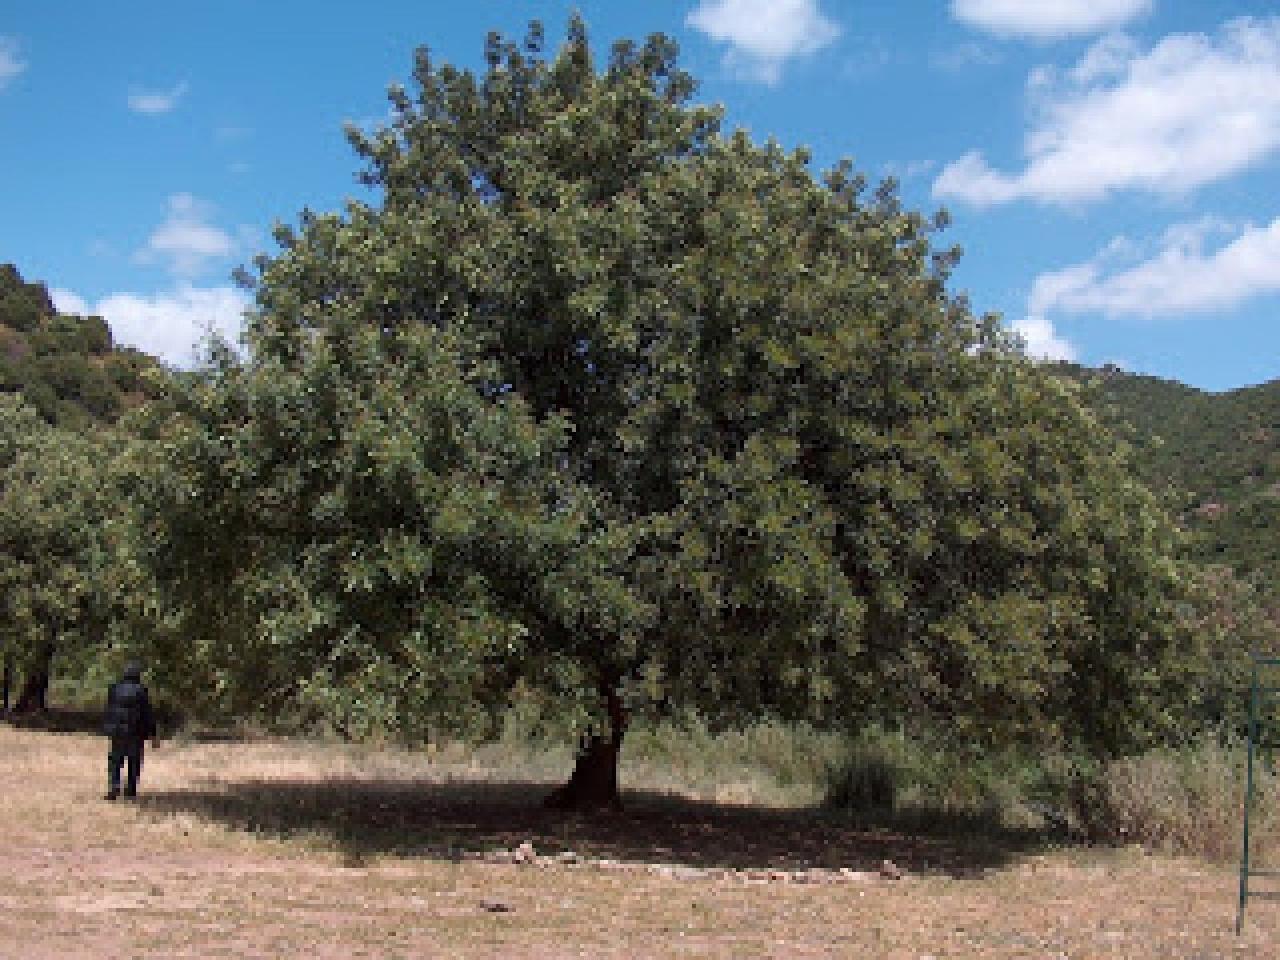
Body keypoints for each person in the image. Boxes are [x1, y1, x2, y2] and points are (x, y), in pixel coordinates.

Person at [101, 661, 157, 800]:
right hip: (135, 732)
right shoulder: (141, 690)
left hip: (117, 731)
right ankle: (130, 790)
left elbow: (109, 710)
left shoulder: (114, 689)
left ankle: (114, 786)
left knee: (115, 760)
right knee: (134, 761)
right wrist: (153, 734)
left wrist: (108, 728)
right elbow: (147, 714)